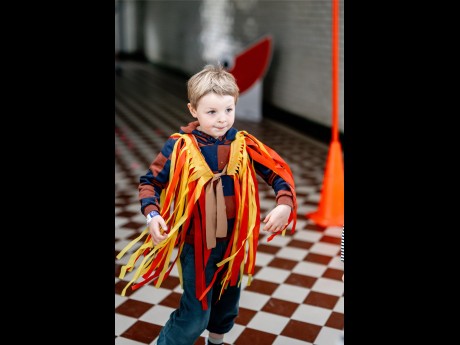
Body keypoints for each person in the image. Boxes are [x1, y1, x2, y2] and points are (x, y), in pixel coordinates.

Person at [117, 64, 297, 345]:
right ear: (193, 110)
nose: (222, 119)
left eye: (229, 109)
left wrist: (284, 203)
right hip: (197, 244)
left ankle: (215, 342)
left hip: (234, 244)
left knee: (227, 306)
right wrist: (152, 215)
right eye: (212, 112)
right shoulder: (180, 146)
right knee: (195, 313)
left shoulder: (243, 144)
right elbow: (149, 182)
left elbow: (277, 173)